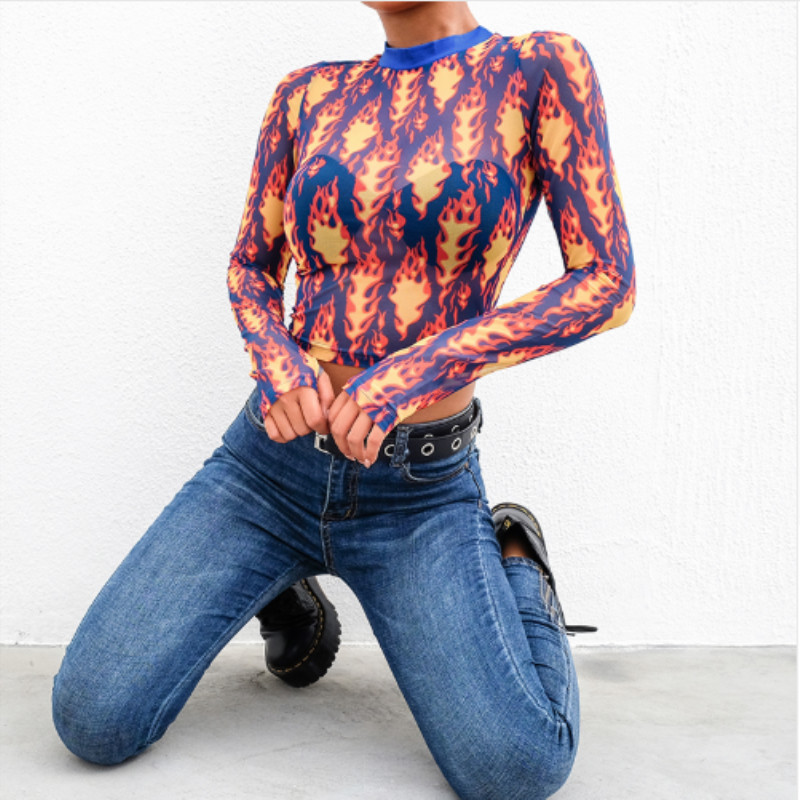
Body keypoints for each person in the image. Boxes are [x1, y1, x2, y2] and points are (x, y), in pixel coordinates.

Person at [51, 2, 636, 798]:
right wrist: (275, 358)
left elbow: (606, 282)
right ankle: (284, 593)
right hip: (268, 472)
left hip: (417, 498)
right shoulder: (307, 94)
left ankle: (517, 560)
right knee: (91, 719)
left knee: (516, 770)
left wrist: (423, 367)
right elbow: (251, 266)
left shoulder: (539, 68)